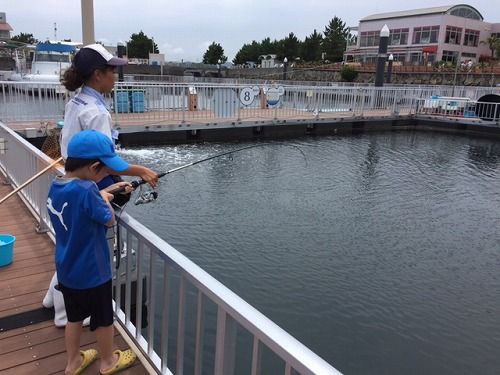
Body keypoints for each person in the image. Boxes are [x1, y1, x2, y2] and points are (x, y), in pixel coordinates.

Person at [43, 43, 159, 328]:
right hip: (87, 180)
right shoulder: (97, 112)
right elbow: (106, 161)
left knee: (69, 241)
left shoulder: (77, 100)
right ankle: (64, 313)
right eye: (112, 71)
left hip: (70, 175)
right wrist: (140, 172)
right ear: (97, 74)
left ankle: (52, 298)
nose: (115, 77)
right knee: (82, 244)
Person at [47, 130, 137, 375]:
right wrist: (106, 197)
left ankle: (73, 362)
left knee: (74, 318)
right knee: (103, 319)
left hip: (67, 270)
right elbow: (108, 220)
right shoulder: (87, 191)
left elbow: (81, 204)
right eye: (106, 171)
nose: (108, 174)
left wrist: (104, 193)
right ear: (94, 167)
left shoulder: (57, 184)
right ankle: (108, 361)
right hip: (93, 272)